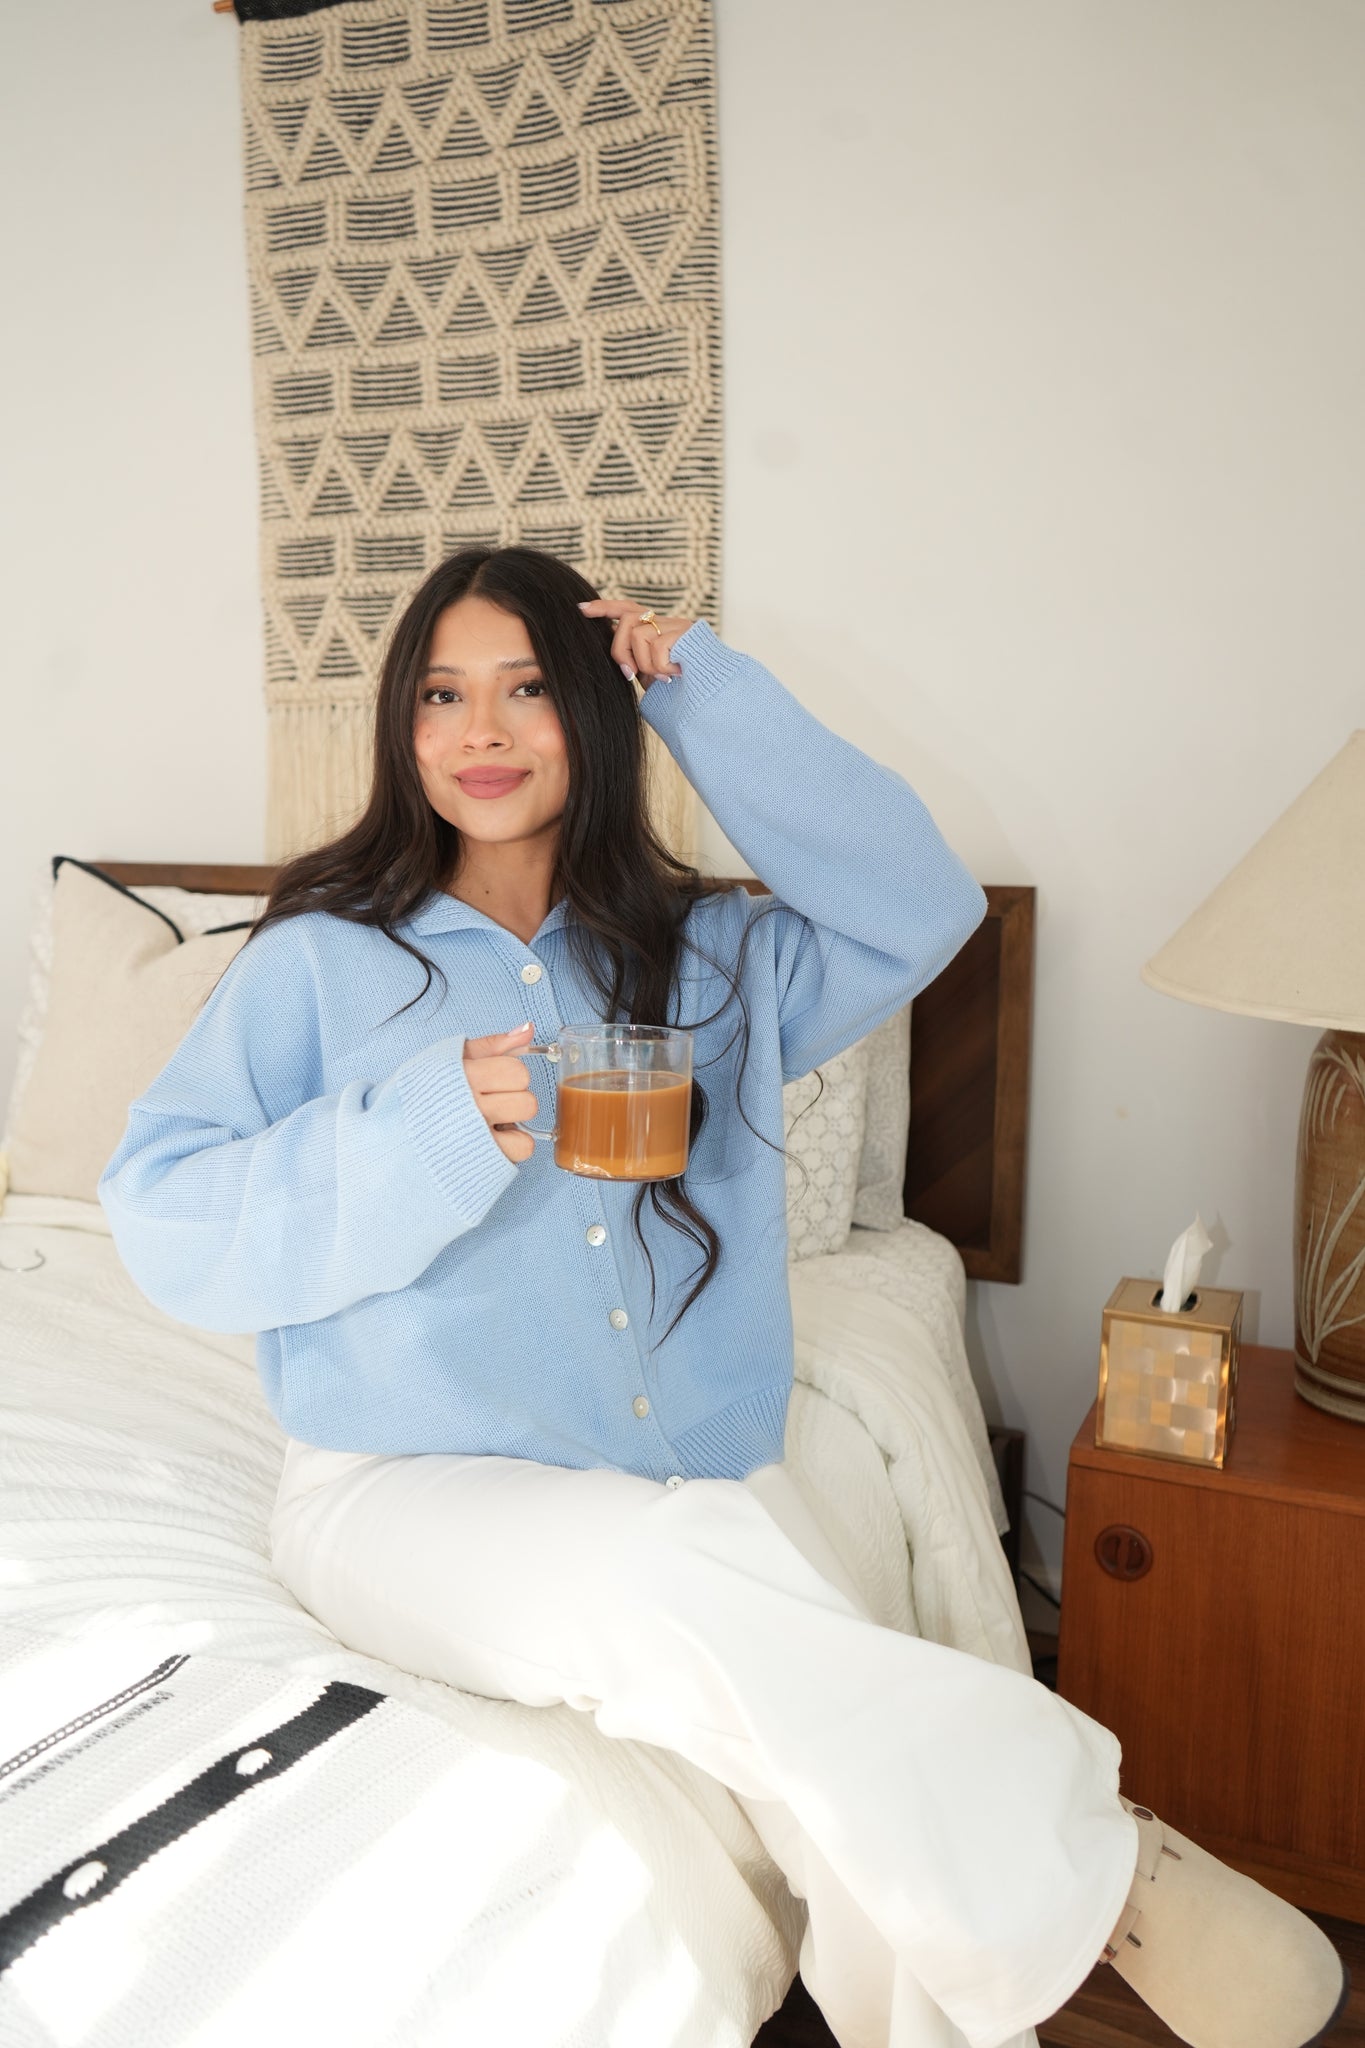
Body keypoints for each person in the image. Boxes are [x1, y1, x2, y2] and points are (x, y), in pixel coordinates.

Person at [100, 548, 1347, 2048]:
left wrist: (702, 690)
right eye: (439, 694)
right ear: (400, 725)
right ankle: (1115, 1870)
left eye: (526, 689)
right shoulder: (316, 963)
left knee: (827, 1768)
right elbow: (164, 1220)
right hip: (398, 1486)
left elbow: (917, 907)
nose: (479, 730)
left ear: (594, 710)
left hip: (674, 1470)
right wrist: (421, 1133)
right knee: (700, 1583)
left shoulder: (711, 955)